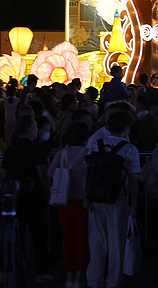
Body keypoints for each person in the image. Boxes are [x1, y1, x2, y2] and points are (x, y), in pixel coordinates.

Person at [86, 110, 140, 288]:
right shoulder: (130, 149)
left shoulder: (97, 144)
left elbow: (90, 173)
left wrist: (87, 196)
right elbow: (133, 180)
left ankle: (94, 279)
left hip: (96, 199)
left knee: (97, 242)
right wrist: (134, 205)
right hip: (118, 200)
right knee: (117, 244)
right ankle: (113, 281)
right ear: (126, 128)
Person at [48, 121, 91, 288]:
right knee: (82, 241)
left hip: (64, 202)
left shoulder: (63, 153)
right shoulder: (89, 153)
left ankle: (69, 277)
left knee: (68, 240)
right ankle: (80, 277)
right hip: (84, 203)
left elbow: (51, 172)